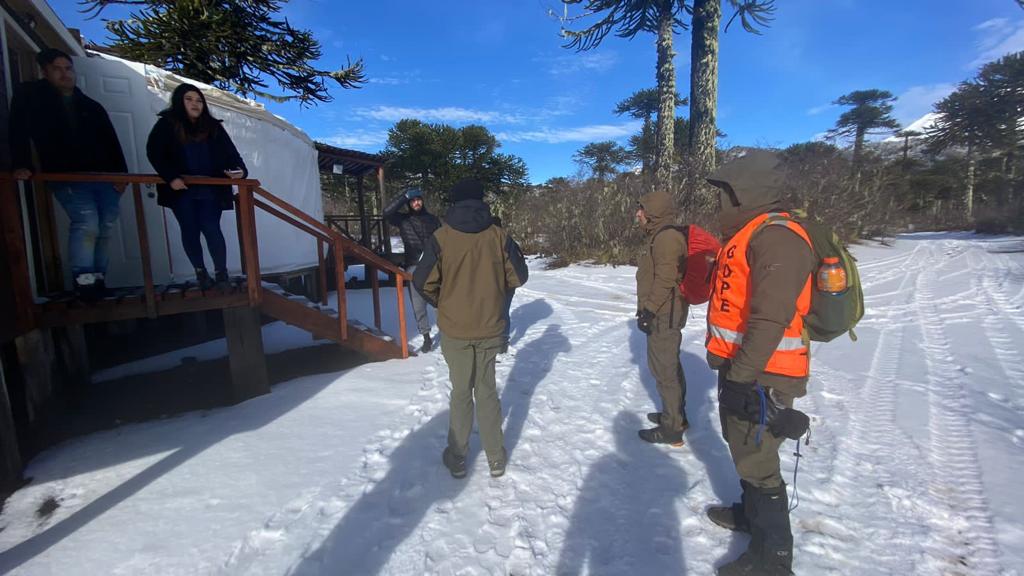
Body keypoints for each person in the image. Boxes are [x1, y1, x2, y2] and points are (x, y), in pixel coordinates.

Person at [703, 149, 816, 576]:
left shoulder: (777, 236)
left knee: (759, 458)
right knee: (745, 447)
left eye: (726, 194)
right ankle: (751, 516)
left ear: (746, 193)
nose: (720, 204)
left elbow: (772, 317)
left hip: (764, 372)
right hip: (743, 366)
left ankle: (774, 559)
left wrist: (743, 376)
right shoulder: (751, 233)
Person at [414, 178, 528, 479]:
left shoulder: (442, 237)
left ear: (454, 202)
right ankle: (496, 459)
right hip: (490, 326)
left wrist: (445, 302)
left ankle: (458, 457)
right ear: (481, 201)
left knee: (461, 393)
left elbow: (421, 282)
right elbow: (519, 276)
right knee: (487, 392)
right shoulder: (498, 235)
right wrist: (494, 293)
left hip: (456, 329)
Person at [8, 48, 128, 299]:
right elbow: (17, 131)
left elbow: (111, 141)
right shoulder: (33, 98)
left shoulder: (90, 106)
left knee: (105, 225)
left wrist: (121, 174)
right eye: (57, 69)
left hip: (103, 176)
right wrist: (22, 164)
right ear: (45, 71)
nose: (65, 74)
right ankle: (83, 279)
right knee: (87, 222)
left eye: (68, 68)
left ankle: (98, 279)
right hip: (66, 174)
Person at [146, 83, 247, 290]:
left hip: (210, 189)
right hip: (181, 189)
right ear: (179, 101)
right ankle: (201, 272)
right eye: (189, 99)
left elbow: (232, 155)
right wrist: (171, 177)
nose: (195, 104)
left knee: (211, 228)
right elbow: (154, 152)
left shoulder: (213, 127)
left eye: (199, 100)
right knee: (190, 229)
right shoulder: (168, 125)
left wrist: (241, 172)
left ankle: (221, 273)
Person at [634, 190, 690, 446]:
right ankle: (676, 415)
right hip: (663, 311)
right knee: (669, 367)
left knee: (664, 370)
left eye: (642, 209)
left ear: (654, 212)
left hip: (664, 314)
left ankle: (672, 429)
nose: (638, 214)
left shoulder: (667, 237)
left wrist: (649, 310)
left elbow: (666, 278)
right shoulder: (659, 235)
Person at [382, 187, 441, 352]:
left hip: (433, 265)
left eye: (418, 200)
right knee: (418, 304)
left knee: (438, 301)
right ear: (409, 203)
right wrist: (403, 197)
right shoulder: (403, 220)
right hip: (413, 265)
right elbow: (386, 213)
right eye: (413, 201)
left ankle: (446, 332)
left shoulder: (433, 219)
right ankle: (426, 337)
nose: (416, 203)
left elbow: (442, 241)